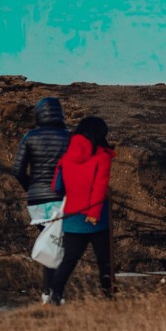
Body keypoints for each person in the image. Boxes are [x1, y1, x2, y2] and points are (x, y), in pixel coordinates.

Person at [49, 116, 116, 304]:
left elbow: (57, 186)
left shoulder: (67, 156)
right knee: (105, 260)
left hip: (71, 218)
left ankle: (55, 294)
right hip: (96, 220)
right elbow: (99, 187)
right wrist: (93, 214)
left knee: (69, 260)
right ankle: (108, 296)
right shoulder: (102, 156)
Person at [12, 97, 74, 303]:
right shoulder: (69, 138)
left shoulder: (30, 137)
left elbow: (18, 170)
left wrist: (31, 188)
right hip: (61, 199)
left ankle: (49, 292)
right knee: (59, 244)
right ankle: (54, 293)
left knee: (49, 242)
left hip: (37, 201)